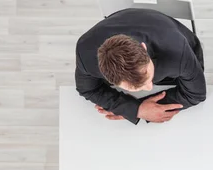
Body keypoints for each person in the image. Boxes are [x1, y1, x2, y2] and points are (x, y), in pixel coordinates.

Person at [75, 8, 206, 125]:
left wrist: (137, 108)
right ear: (107, 77)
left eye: (147, 77)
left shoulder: (178, 50)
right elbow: (87, 89)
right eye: (138, 87)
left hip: (174, 50)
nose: (149, 87)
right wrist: (137, 110)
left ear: (143, 48)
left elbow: (196, 94)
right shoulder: (85, 54)